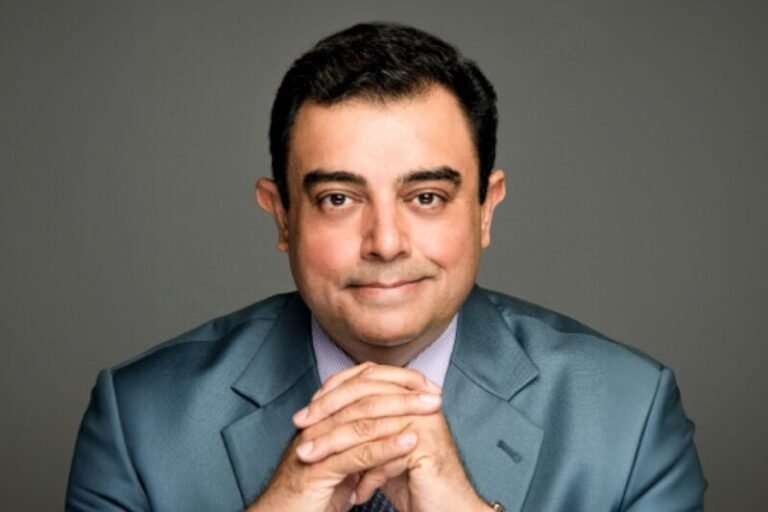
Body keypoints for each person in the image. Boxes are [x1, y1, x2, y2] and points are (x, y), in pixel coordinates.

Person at [66, 22, 706, 512]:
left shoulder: (630, 415)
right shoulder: (140, 421)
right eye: (338, 199)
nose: (387, 243)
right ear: (282, 216)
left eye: (426, 197)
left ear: (486, 209)